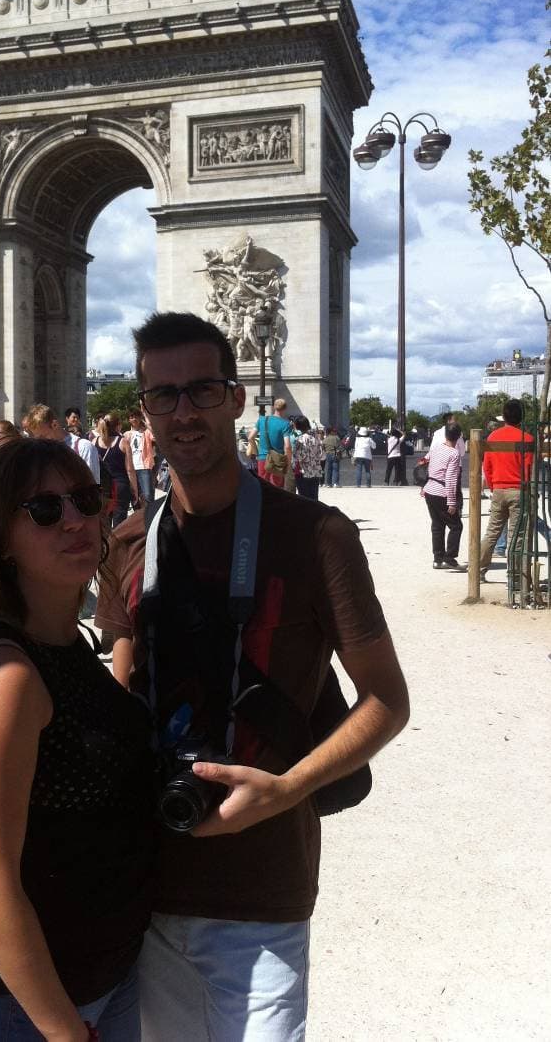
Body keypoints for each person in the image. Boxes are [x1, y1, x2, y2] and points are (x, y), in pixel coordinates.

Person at [95, 311, 409, 1040]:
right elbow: (117, 693)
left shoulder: (317, 536)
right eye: (162, 396)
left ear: (239, 399)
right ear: (143, 412)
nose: (183, 412)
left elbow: (388, 700)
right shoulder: (128, 541)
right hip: (141, 881)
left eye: (202, 390)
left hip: (261, 886)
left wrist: (288, 791)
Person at [0, 437, 154, 1039]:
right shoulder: (5, 674)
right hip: (27, 1008)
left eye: (84, 499)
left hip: (104, 981)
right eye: (45, 510)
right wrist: (64, 1032)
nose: (77, 521)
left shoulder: (70, 648)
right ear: (0, 538)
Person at [479, 398, 535, 586]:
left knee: (492, 532)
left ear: (504, 416)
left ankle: (478, 569)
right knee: (516, 536)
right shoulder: (527, 439)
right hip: (519, 490)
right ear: (521, 417)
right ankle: (515, 577)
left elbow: (486, 466)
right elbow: (530, 468)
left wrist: (494, 486)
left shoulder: (493, 437)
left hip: (499, 490)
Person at [25, 404, 101, 484]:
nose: (40, 442)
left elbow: (92, 487)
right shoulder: (41, 451)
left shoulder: (84, 447)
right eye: (37, 438)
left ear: (54, 425)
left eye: (43, 436)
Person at [422, 423, 464, 569]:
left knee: (437, 525)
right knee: (456, 526)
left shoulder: (435, 448)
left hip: (430, 489)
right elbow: (451, 478)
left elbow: (426, 463)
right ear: (458, 437)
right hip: (442, 492)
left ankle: (437, 558)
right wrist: (452, 502)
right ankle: (450, 556)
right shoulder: (454, 454)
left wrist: (423, 486)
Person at [94, 414, 133, 526]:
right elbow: (130, 469)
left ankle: (105, 543)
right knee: (120, 522)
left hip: (102, 486)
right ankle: (116, 543)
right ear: (117, 426)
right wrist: (134, 488)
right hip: (120, 485)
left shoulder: (94, 441)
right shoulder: (123, 442)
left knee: (103, 520)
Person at [249, 397, 292, 489]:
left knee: (263, 488)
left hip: (262, 458)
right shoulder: (285, 424)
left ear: (273, 407)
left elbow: (250, 437)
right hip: (278, 460)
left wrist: (256, 453)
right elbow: (287, 446)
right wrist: (288, 462)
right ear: (285, 408)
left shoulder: (261, 420)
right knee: (277, 489)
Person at [126, 407, 156, 505]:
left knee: (148, 495)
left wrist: (147, 423)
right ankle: (138, 516)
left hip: (144, 467)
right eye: (131, 417)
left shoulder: (146, 432)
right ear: (129, 419)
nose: (134, 419)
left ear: (140, 418)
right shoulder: (126, 434)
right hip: (131, 468)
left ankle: (150, 516)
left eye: (136, 417)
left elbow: (155, 437)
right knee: (134, 496)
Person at [292, 414, 324, 500]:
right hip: (315, 470)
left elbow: (298, 457)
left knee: (304, 497)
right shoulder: (316, 438)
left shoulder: (299, 439)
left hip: (303, 471)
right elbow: (321, 454)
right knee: (314, 497)